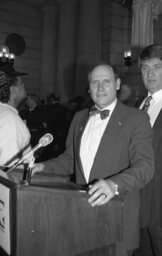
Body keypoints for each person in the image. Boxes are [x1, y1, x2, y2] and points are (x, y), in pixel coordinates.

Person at [32, 62, 155, 256]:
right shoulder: (79, 117)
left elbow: (145, 167)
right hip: (82, 214)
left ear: (117, 84)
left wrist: (114, 185)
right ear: (88, 88)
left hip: (117, 218)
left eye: (106, 81)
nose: (100, 87)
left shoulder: (136, 118)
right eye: (94, 82)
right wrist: (42, 167)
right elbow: (69, 160)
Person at [136, 44, 162, 256]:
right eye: (145, 68)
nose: (150, 73)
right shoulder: (138, 104)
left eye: (157, 67)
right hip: (137, 200)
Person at [0, 63, 31, 167]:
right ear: (12, 90)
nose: (24, 86)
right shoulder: (10, 120)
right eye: (21, 83)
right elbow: (8, 169)